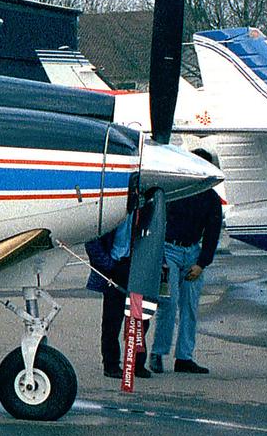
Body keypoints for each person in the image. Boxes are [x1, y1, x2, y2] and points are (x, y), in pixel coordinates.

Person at [149, 148, 222, 375]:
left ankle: (184, 356)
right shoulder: (174, 191)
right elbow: (157, 223)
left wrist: (202, 262)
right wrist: (159, 256)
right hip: (169, 250)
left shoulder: (210, 198)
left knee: (189, 306)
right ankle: (158, 352)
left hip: (192, 252)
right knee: (168, 304)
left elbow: (213, 231)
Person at [88, 214, 148, 379]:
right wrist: (108, 265)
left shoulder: (143, 210)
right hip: (116, 266)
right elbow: (92, 239)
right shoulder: (112, 213)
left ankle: (137, 362)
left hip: (137, 265)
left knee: (141, 318)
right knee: (112, 320)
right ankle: (111, 364)